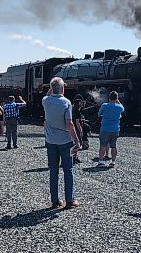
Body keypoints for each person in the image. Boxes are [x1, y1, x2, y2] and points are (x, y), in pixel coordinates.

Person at [42, 77, 81, 209]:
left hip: (50, 141)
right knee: (68, 170)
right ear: (62, 88)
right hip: (65, 141)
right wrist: (76, 140)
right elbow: (69, 124)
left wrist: (54, 85)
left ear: (52, 88)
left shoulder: (46, 101)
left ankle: (55, 200)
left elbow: (48, 94)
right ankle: (69, 200)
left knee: (53, 171)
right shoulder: (66, 102)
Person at [96, 91, 125, 168]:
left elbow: (99, 114)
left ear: (109, 98)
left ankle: (101, 161)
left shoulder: (104, 105)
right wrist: (117, 101)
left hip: (105, 129)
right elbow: (122, 108)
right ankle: (113, 161)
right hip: (115, 129)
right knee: (114, 146)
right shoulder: (119, 107)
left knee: (102, 145)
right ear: (116, 98)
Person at [72, 99, 84, 164]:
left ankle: (75, 157)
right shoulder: (77, 111)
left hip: (72, 128)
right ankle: (73, 157)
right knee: (77, 143)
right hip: (76, 128)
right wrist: (81, 130)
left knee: (75, 143)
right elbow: (77, 122)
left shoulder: (72, 109)